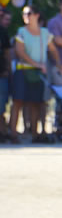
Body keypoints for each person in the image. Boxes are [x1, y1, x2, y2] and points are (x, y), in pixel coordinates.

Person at [9, 5, 60, 143]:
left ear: (37, 15)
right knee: (18, 102)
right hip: (23, 70)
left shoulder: (45, 33)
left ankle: (35, 134)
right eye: (24, 14)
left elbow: (53, 50)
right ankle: (13, 134)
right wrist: (36, 64)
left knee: (35, 103)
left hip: (38, 73)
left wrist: (58, 64)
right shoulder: (21, 32)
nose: (26, 16)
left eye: (29, 13)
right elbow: (20, 52)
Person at [0, 8, 12, 141]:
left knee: (1, 106)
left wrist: (8, 70)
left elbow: (7, 53)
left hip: (1, 73)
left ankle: (2, 133)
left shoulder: (2, 31)